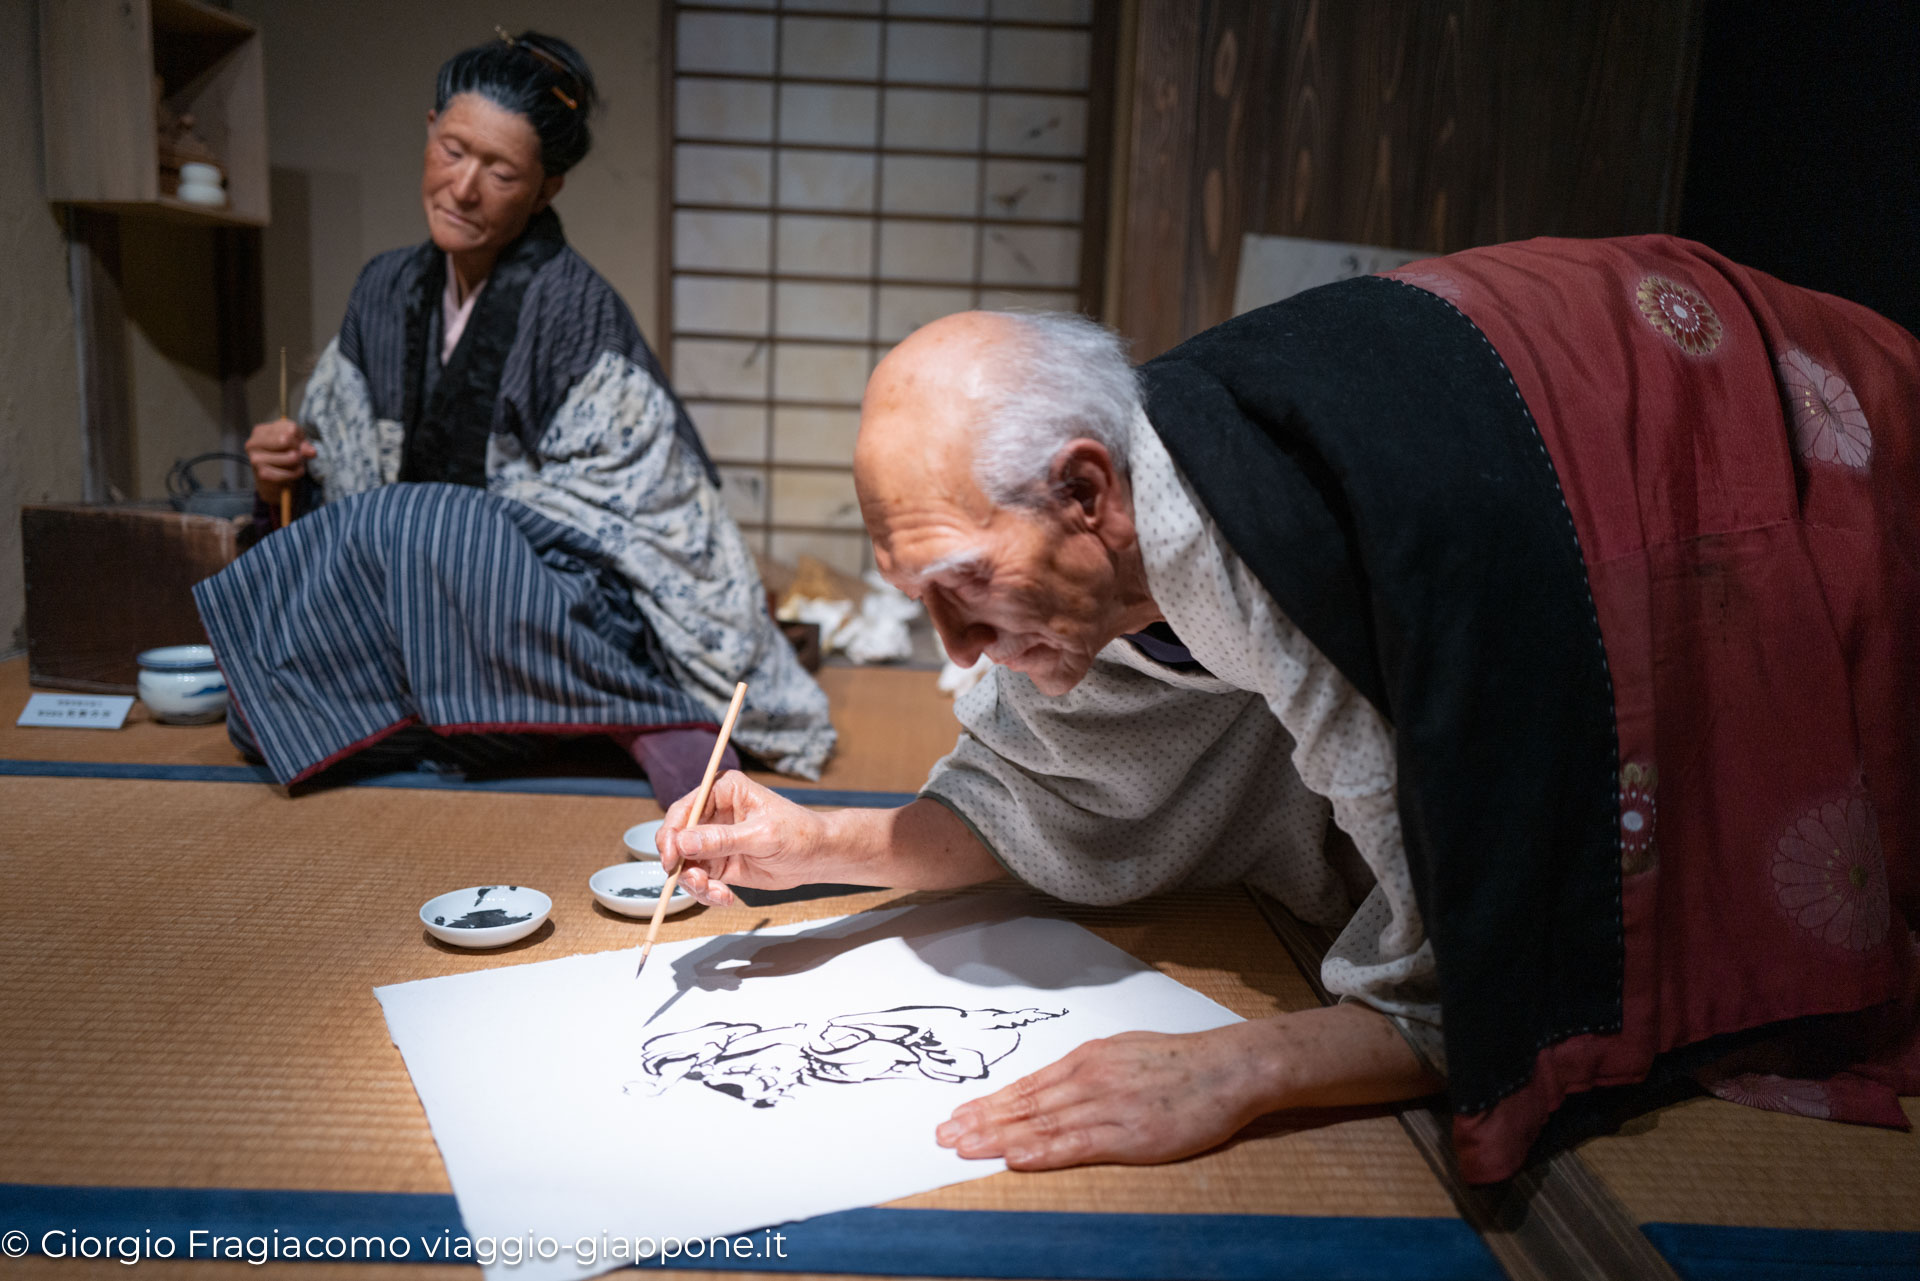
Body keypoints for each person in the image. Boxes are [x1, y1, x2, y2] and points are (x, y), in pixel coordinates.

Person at [657, 235, 1920, 1183]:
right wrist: (817, 844)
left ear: (1087, 490)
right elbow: (1045, 797)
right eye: (917, 598)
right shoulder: (1108, 561)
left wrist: (1241, 1067)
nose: (955, 648)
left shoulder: (1291, 557)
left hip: (1709, 414)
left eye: (967, 589)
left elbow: (1463, 977)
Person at [194, 31, 832, 800]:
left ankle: (636, 709)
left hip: (544, 609)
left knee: (424, 527)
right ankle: (519, 717)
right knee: (259, 713)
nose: (464, 188)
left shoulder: (575, 308)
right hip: (416, 595)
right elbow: (338, 494)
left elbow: (636, 517)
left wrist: (445, 532)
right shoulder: (383, 288)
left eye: (500, 171)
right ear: (429, 128)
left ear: (546, 188)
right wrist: (285, 472)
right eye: (454, 149)